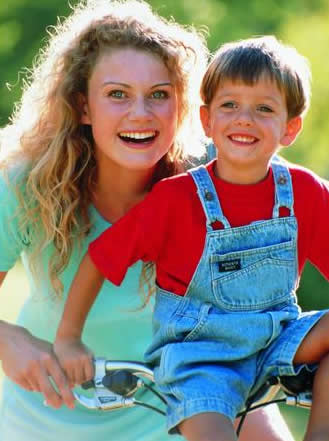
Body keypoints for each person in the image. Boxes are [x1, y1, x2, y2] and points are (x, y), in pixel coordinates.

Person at [0, 1, 295, 440]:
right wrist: (8, 340)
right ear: (83, 106)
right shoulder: (28, 183)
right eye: (117, 94)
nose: (141, 112)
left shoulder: (214, 183)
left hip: (178, 412)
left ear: (181, 107)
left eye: (159, 94)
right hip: (46, 421)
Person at [54, 35, 329, 441]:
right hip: (199, 357)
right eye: (229, 106)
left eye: (264, 109)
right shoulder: (176, 199)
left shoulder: (305, 192)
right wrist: (68, 337)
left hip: (277, 339)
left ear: (289, 128)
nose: (244, 119)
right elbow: (100, 258)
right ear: (206, 120)